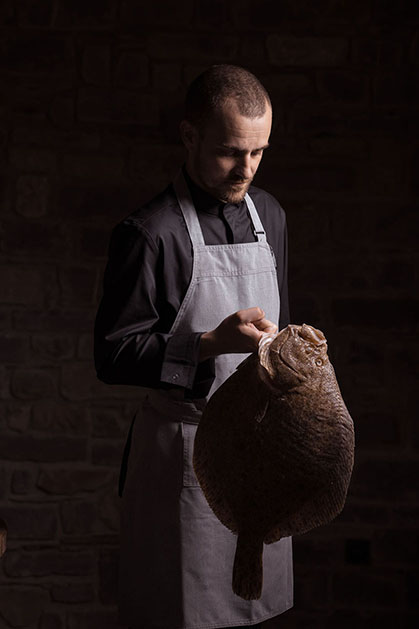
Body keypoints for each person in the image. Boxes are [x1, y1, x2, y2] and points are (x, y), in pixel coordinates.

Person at [94, 64, 293, 629]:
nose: (246, 169)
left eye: (258, 152)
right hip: (183, 451)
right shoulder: (149, 233)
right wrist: (207, 344)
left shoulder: (271, 216)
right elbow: (111, 354)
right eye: (231, 151)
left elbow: (285, 322)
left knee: (256, 608)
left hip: (260, 451)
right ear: (189, 137)